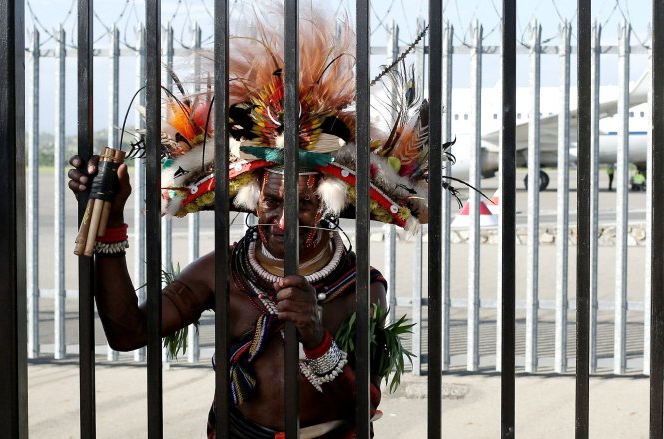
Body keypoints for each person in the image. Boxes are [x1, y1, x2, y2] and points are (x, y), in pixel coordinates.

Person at [68, 4, 434, 438]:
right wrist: (110, 223)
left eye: (303, 204)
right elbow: (127, 333)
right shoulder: (223, 271)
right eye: (273, 202)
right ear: (254, 200)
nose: (282, 223)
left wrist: (316, 336)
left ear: (329, 207)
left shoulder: (357, 285)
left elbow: (362, 404)